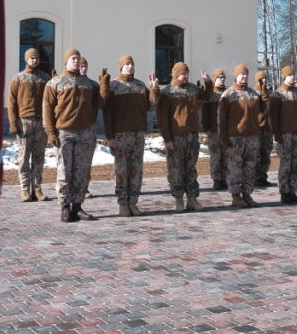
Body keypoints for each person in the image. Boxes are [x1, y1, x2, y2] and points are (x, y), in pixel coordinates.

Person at [43, 49, 104, 222]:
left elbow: (100, 103)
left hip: (85, 132)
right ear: (66, 62)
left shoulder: (89, 84)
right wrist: (50, 132)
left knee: (82, 171)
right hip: (64, 132)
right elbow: (47, 108)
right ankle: (64, 207)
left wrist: (104, 87)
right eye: (73, 59)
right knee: (64, 172)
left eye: (78, 59)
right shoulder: (55, 83)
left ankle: (77, 206)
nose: (76, 62)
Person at [100, 55, 159, 217]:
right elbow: (107, 114)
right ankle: (122, 203)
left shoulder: (140, 86)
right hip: (120, 135)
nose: (130, 67)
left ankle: (133, 202)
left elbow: (151, 107)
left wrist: (153, 89)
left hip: (138, 134)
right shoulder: (114, 86)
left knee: (137, 170)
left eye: (131, 64)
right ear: (121, 67)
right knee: (122, 170)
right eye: (126, 64)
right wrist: (110, 137)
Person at [156, 62, 211, 212]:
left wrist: (208, 82)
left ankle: (192, 199)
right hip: (176, 137)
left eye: (187, 73)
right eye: (183, 73)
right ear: (176, 74)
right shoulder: (168, 92)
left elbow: (207, 97)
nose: (186, 76)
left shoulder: (193, 89)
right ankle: (179, 199)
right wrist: (167, 139)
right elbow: (162, 118)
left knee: (191, 168)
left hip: (192, 135)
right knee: (176, 169)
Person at [219, 64, 267, 208]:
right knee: (235, 167)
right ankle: (236, 196)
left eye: (246, 74)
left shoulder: (253, 93)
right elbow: (221, 118)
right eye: (241, 74)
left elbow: (264, 109)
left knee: (250, 167)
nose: (244, 76)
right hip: (235, 137)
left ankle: (247, 194)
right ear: (236, 76)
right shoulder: (228, 94)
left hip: (252, 137)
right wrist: (224, 136)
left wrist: (263, 92)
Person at [7, 48, 52, 202]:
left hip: (41, 122)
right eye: (32, 58)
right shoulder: (18, 78)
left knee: (39, 157)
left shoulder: (45, 79)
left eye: (36, 58)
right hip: (24, 122)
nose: (34, 60)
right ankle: (25, 189)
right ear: (26, 60)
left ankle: (37, 188)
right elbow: (12, 103)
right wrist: (13, 123)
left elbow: (51, 102)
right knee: (24, 157)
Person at [270, 66, 297, 204]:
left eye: (294, 74)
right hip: (285, 134)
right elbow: (273, 117)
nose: (293, 77)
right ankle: (284, 192)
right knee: (285, 164)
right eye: (290, 75)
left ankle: (293, 190)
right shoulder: (277, 95)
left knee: (296, 163)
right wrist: (277, 135)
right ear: (284, 77)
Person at [202, 69, 228, 190]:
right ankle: (216, 179)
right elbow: (205, 112)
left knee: (226, 156)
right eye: (219, 77)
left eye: (223, 77)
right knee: (216, 156)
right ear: (214, 79)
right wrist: (206, 127)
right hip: (214, 130)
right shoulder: (210, 93)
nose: (222, 79)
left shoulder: (228, 92)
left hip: (226, 130)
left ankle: (225, 178)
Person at [78, 57, 98, 198]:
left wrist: (104, 87)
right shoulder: (70, 83)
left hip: (89, 128)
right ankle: (73, 188)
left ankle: (84, 188)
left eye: (85, 66)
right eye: (80, 66)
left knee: (86, 161)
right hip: (73, 128)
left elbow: (100, 102)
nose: (83, 69)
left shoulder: (93, 85)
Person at [253, 71, 274, 187]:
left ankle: (263, 176)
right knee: (256, 154)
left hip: (268, 128)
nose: (264, 81)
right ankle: (255, 177)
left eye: (265, 78)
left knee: (266, 153)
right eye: (261, 79)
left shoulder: (270, 92)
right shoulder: (253, 93)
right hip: (257, 128)